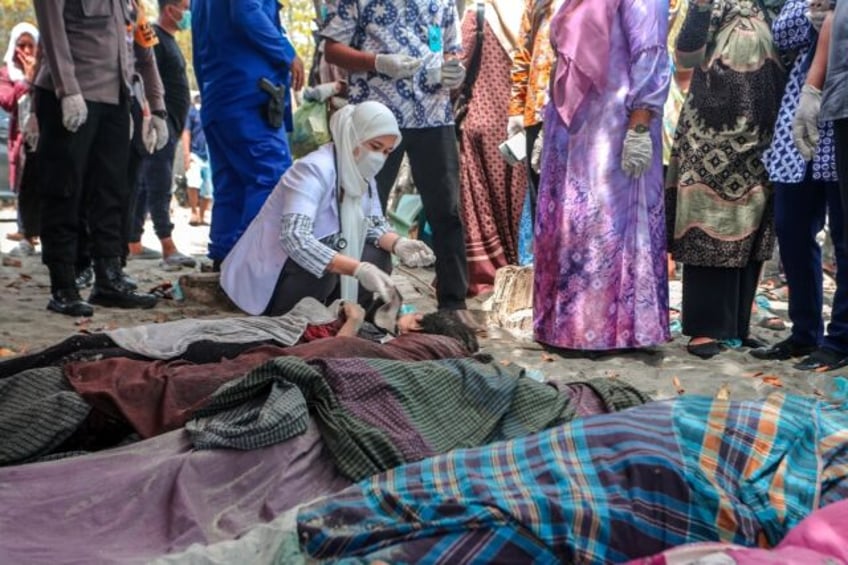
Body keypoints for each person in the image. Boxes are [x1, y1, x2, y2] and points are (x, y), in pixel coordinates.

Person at [321, 0, 475, 323]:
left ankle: (453, 303)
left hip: (433, 115)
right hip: (376, 118)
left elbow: (450, 50)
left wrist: (452, 72)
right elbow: (332, 50)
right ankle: (357, 300)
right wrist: (377, 62)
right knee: (359, 207)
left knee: (446, 210)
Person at [533, 0, 671, 352]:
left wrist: (640, 124)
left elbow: (650, 52)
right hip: (574, 128)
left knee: (606, 226)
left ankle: (613, 331)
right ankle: (568, 328)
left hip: (617, 127)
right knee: (574, 225)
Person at [221, 101, 436, 317]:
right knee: (321, 270)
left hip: (320, 259)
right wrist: (357, 269)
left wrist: (399, 243)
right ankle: (292, 321)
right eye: (375, 147)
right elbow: (296, 238)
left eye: (387, 152)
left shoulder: (362, 176)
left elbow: (372, 224)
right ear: (353, 137)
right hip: (274, 272)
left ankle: (347, 318)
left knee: (377, 256)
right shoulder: (312, 170)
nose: (380, 158)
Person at [666, 0, 787, 359]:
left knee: (753, 222)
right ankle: (705, 328)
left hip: (763, 133)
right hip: (712, 133)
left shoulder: (776, 5)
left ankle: (736, 327)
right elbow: (686, 56)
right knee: (708, 221)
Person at [32, 0, 166, 316]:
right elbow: (53, 32)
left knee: (112, 192)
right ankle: (63, 285)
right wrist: (67, 89)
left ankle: (109, 279)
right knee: (64, 191)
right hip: (71, 96)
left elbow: (144, 51)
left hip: (116, 99)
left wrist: (157, 106)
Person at [753, 1, 847, 370]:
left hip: (840, 122)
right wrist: (815, 15)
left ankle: (840, 339)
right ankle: (805, 332)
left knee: (844, 238)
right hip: (801, 128)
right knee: (791, 229)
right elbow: (783, 34)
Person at [191, 0, 305, 269]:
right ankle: (248, 266)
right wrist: (287, 51)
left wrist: (210, 97)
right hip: (250, 96)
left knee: (230, 185)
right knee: (269, 180)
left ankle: (224, 259)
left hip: (220, 96)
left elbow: (198, 51)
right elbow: (246, 11)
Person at [458, 0, 527, 296]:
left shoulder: (479, 12)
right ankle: (524, 275)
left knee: (482, 206)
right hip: (523, 124)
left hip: (481, 123)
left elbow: (458, 61)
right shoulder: (539, 15)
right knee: (519, 201)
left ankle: (491, 278)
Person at [127, 0, 196, 268]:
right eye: (185, 7)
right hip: (158, 125)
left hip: (173, 125)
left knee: (146, 185)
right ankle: (168, 246)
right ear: (170, 9)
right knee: (159, 182)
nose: (188, 13)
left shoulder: (169, 40)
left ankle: (133, 241)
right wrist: (152, 116)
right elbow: (145, 76)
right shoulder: (154, 38)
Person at [0, 23, 39, 258]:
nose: (25, 50)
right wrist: (27, 80)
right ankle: (26, 236)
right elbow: (7, 100)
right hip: (22, 139)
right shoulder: (6, 74)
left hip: (48, 136)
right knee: (26, 186)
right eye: (20, 45)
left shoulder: (48, 67)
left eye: (30, 45)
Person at [182, 92, 213, 227]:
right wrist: (186, 154)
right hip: (195, 153)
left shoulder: (212, 110)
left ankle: (201, 215)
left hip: (210, 155)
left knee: (208, 188)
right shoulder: (192, 112)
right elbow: (186, 133)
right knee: (193, 182)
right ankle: (194, 212)